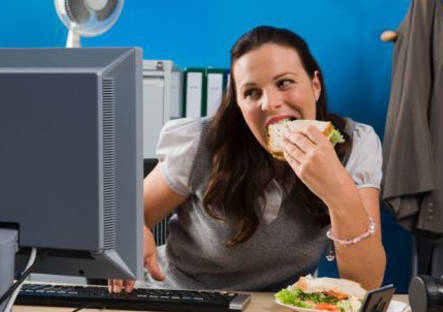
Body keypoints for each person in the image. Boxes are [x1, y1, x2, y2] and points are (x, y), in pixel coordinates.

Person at [109, 25, 386, 293]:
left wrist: (337, 189)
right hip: (178, 297)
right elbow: (130, 215)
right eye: (252, 92)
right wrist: (132, 233)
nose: (269, 103)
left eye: (284, 82)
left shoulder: (355, 145)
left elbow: (365, 283)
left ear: (315, 85)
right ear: (239, 104)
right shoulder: (201, 143)